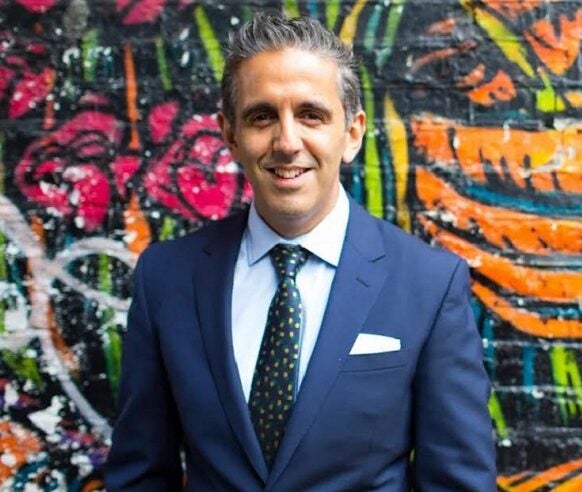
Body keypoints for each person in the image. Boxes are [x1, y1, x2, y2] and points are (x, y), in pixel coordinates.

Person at [105, 12, 496, 491]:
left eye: (311, 115)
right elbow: (140, 474)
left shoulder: (430, 284)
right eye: (262, 116)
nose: (287, 142)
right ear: (230, 135)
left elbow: (457, 483)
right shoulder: (166, 277)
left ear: (351, 134)